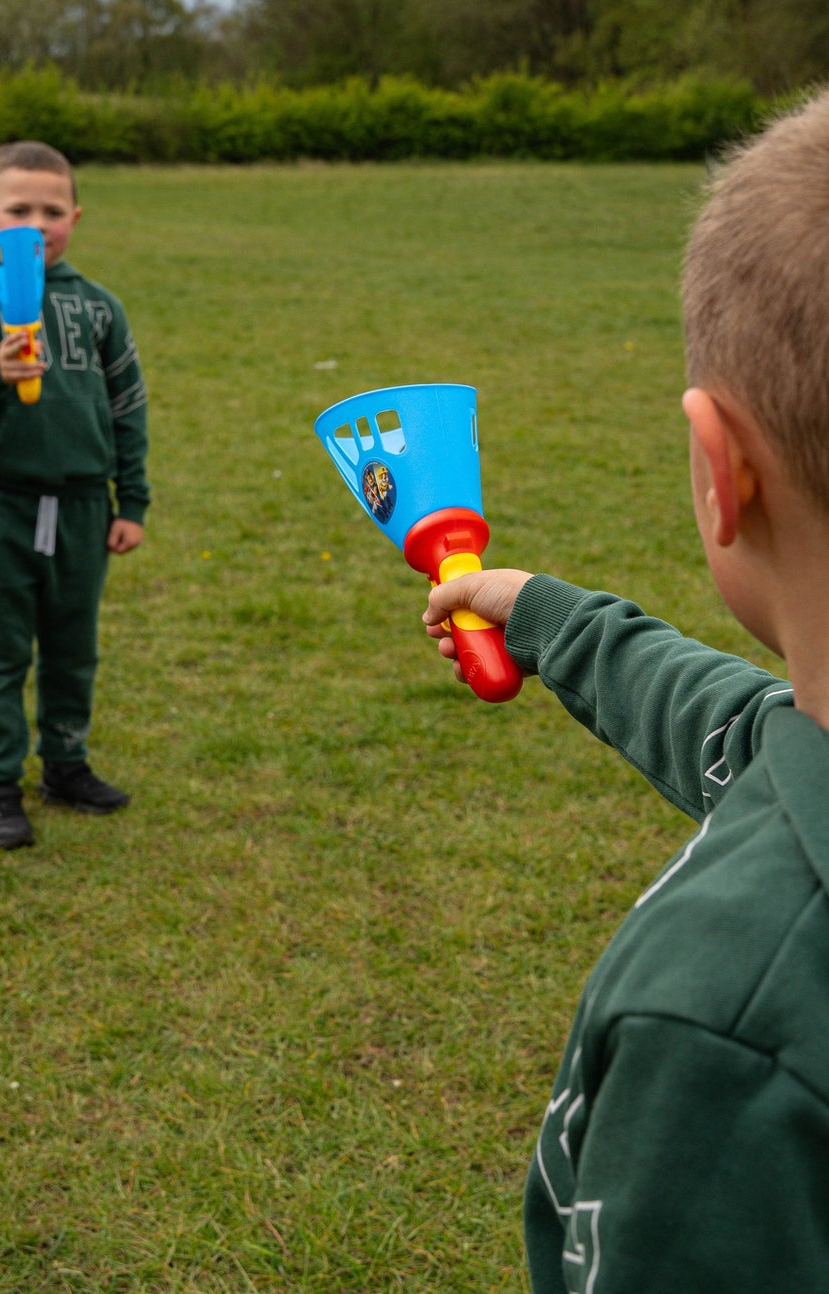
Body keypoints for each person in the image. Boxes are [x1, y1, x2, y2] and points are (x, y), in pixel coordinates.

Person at [423, 91, 829, 1291]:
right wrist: (553, 618)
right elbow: (742, 731)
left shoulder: (727, 1031)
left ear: (720, 469)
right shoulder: (795, 757)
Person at [0, 141, 150, 850]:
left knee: (71, 647)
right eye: (18, 209)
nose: (36, 224)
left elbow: (128, 408)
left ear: (75, 218)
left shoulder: (99, 308)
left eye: (52, 211)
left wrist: (131, 503)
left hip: (86, 509)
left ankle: (65, 763)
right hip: (1, 506)